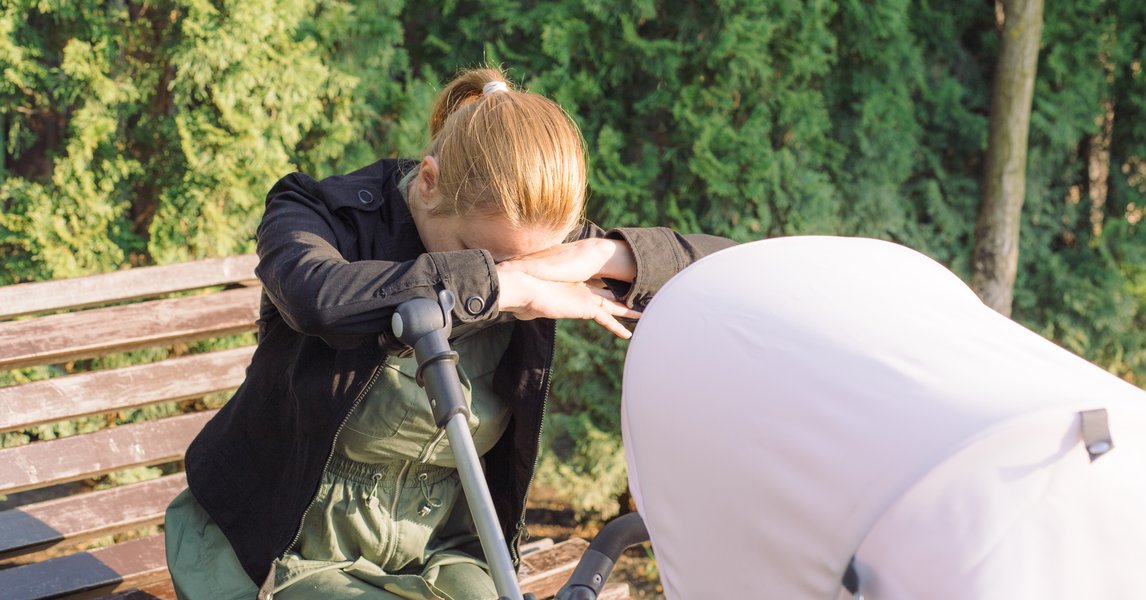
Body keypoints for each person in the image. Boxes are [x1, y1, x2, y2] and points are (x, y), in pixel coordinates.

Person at [164, 66, 733, 600]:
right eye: (480, 255)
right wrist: (505, 286)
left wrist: (606, 252)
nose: (512, 270)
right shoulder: (319, 213)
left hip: (440, 549)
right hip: (285, 546)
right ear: (429, 182)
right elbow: (321, 300)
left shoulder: (529, 237)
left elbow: (736, 276)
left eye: (530, 260)